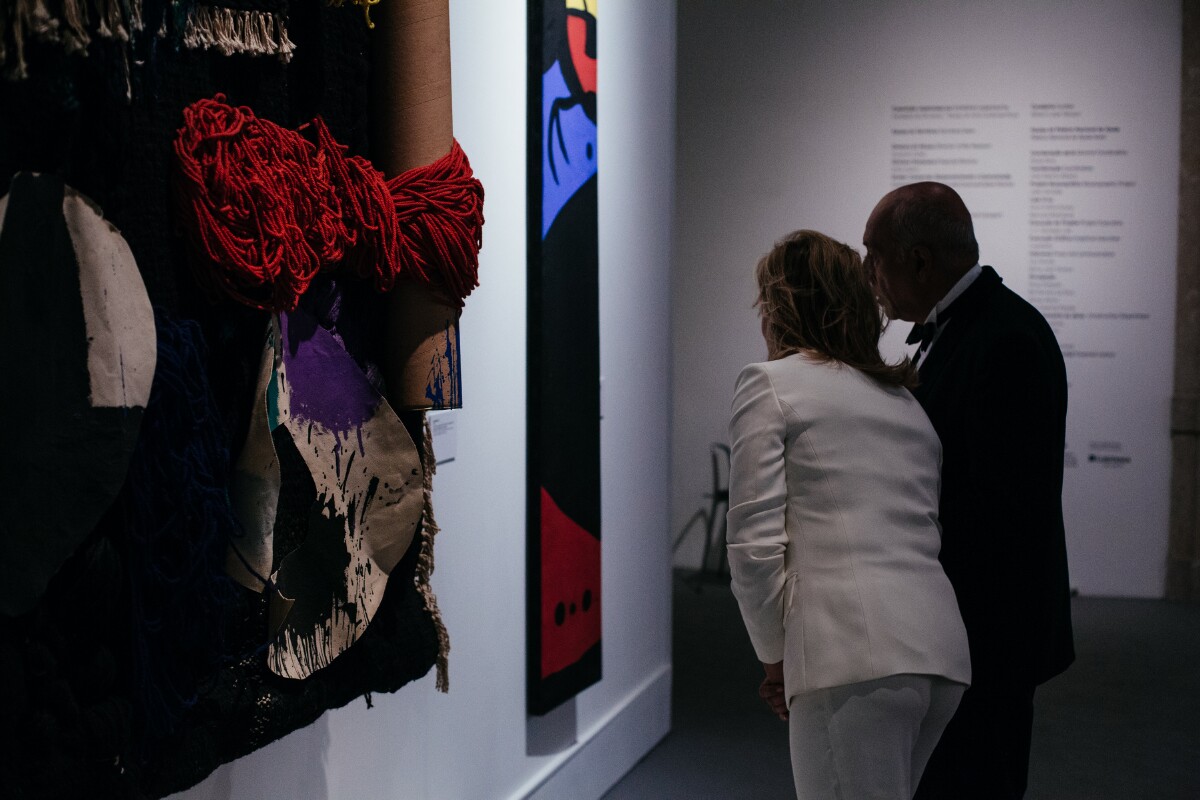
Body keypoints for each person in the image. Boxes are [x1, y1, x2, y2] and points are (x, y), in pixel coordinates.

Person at [725, 229, 971, 800]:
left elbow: (754, 549)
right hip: (939, 655)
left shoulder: (770, 384)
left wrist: (775, 660)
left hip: (849, 655)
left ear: (782, 307)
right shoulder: (904, 401)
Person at [862, 182, 1075, 799]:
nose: (869, 274)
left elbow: (1000, 515)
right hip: (968, 631)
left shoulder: (1004, 339)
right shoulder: (981, 327)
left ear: (919, 261)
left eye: (875, 256)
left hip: (986, 637)